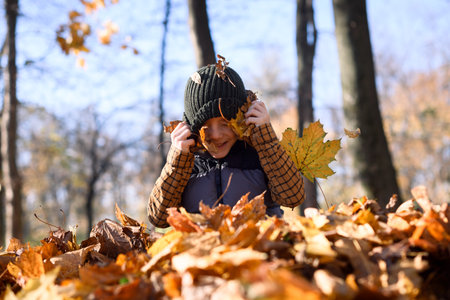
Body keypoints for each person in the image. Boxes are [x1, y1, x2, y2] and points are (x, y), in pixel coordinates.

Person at [147, 63, 305, 227]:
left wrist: (266, 139)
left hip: (258, 246)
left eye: (225, 123)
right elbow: (158, 217)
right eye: (205, 127)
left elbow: (293, 196)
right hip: (204, 249)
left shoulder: (258, 153)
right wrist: (177, 161)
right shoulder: (186, 162)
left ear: (242, 119)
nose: (215, 135)